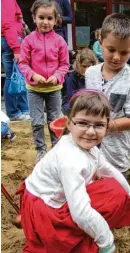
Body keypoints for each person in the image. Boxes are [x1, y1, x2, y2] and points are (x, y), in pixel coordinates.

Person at [17, 90, 130, 253]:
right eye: (83, 123)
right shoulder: (71, 159)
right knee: (110, 198)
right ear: (68, 124)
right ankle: (45, 228)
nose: (90, 131)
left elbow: (108, 170)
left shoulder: (87, 147)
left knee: (114, 189)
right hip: (45, 207)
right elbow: (80, 212)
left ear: (107, 125)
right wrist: (106, 242)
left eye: (99, 125)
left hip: (46, 196)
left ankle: (28, 219)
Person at [85, 14, 130, 174]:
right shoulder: (90, 73)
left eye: (124, 52)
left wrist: (103, 126)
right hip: (88, 145)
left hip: (116, 151)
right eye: (111, 50)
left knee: (115, 188)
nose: (117, 57)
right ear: (100, 42)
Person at [18, 0, 70, 163]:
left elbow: (65, 65)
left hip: (54, 89)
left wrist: (57, 76)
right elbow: (23, 63)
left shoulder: (60, 41)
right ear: (34, 18)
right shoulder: (28, 41)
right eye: (41, 17)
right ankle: (41, 150)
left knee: (55, 120)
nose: (45, 22)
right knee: (37, 121)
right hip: (34, 89)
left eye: (49, 18)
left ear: (56, 20)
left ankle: (57, 149)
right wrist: (33, 75)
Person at [1, 0, 29, 121]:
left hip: (11, 40)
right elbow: (7, 24)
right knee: (12, 77)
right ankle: (13, 112)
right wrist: (16, 48)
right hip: (11, 41)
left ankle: (23, 110)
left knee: (18, 76)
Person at [62, 48, 98, 114]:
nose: (87, 69)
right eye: (84, 66)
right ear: (78, 65)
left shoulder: (97, 76)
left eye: (89, 66)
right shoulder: (72, 77)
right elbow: (70, 97)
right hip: (74, 104)